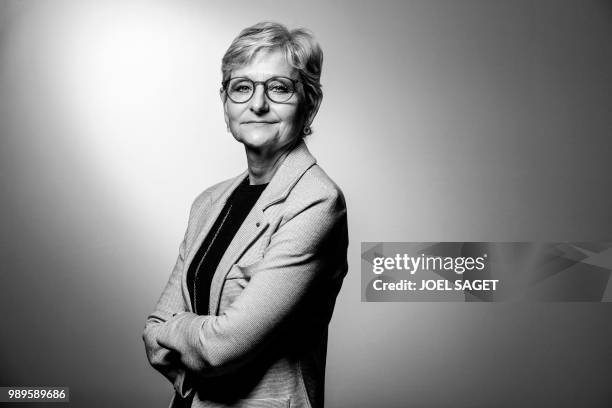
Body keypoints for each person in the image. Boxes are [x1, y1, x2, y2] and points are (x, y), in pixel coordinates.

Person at [142, 21, 349, 408]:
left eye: (279, 87)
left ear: (309, 102)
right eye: (242, 87)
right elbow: (152, 331)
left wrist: (179, 332)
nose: (258, 104)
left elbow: (225, 345)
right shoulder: (209, 201)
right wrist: (193, 342)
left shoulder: (317, 202)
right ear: (225, 104)